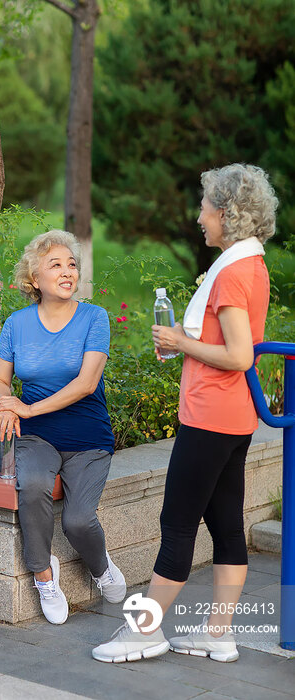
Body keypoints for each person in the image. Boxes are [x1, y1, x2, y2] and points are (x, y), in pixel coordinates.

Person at [92, 163, 278, 663]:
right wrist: (189, 343)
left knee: (177, 524)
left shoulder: (232, 275)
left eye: (204, 208)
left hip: (211, 418)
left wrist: (181, 341)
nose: (199, 217)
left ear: (226, 213)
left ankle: (144, 631)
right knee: (225, 526)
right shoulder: (251, 266)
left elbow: (241, 355)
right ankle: (218, 634)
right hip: (233, 418)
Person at [0, 229, 126, 624]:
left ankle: (100, 567)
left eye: (72, 265)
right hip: (37, 437)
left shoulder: (94, 317)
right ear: (34, 279)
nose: (68, 272)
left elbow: (85, 384)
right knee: (30, 487)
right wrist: (6, 404)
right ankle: (44, 576)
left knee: (79, 520)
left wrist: (27, 408)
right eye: (56, 265)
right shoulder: (17, 324)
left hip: (88, 436)